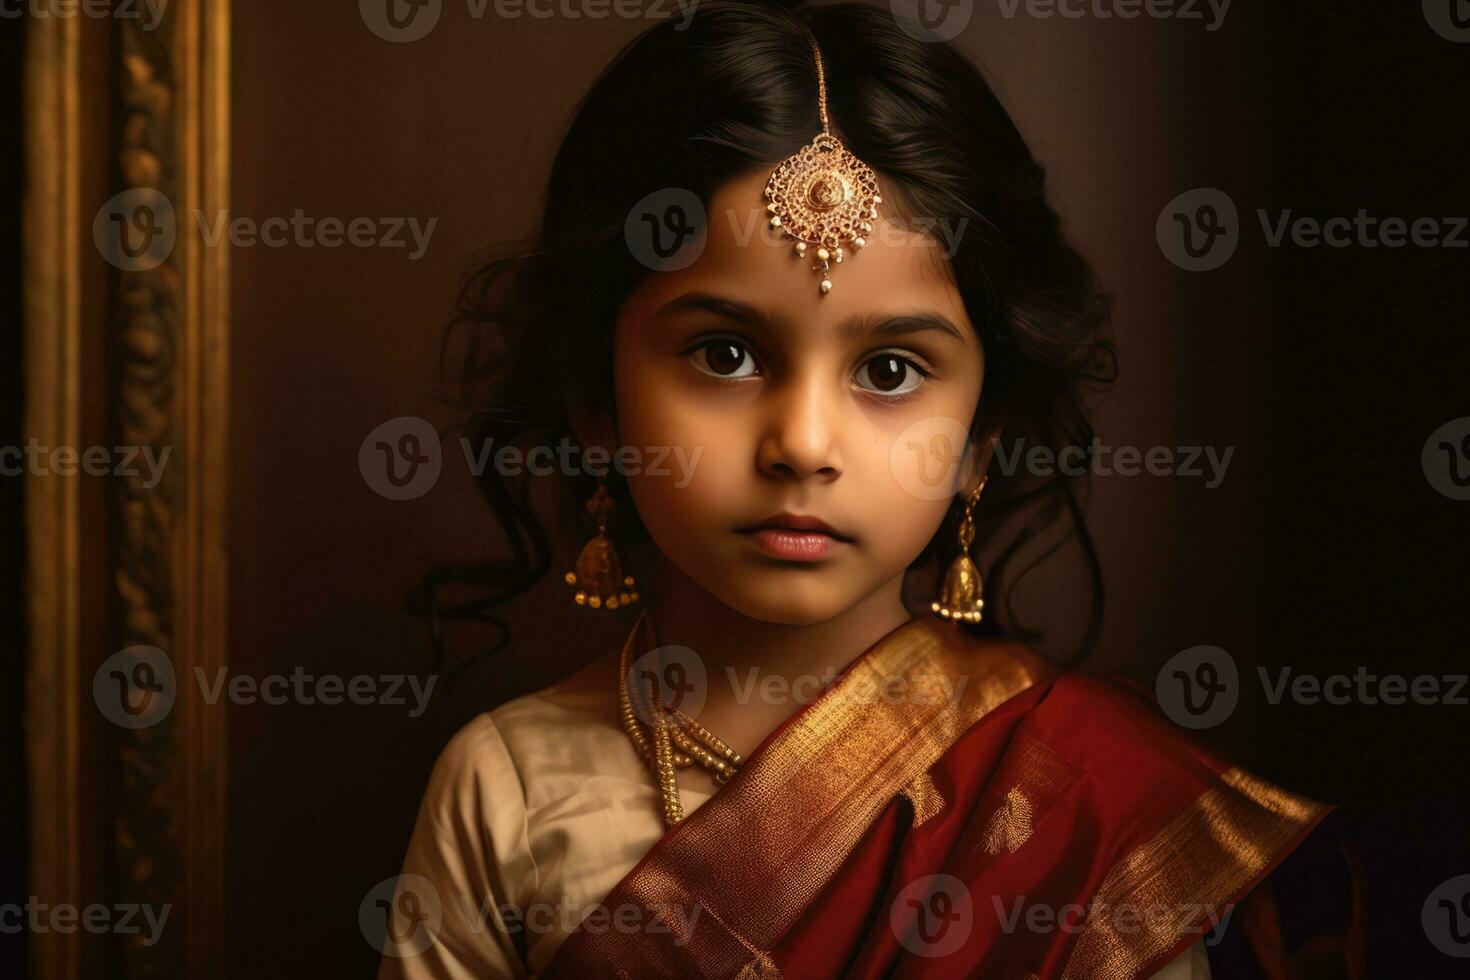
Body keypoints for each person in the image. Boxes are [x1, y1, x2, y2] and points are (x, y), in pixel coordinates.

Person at [380, 3, 1359, 976]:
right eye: (723, 354)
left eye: (890, 371)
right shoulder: (508, 789)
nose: (803, 443)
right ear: (595, 401)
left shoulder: (1092, 811)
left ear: (983, 439)